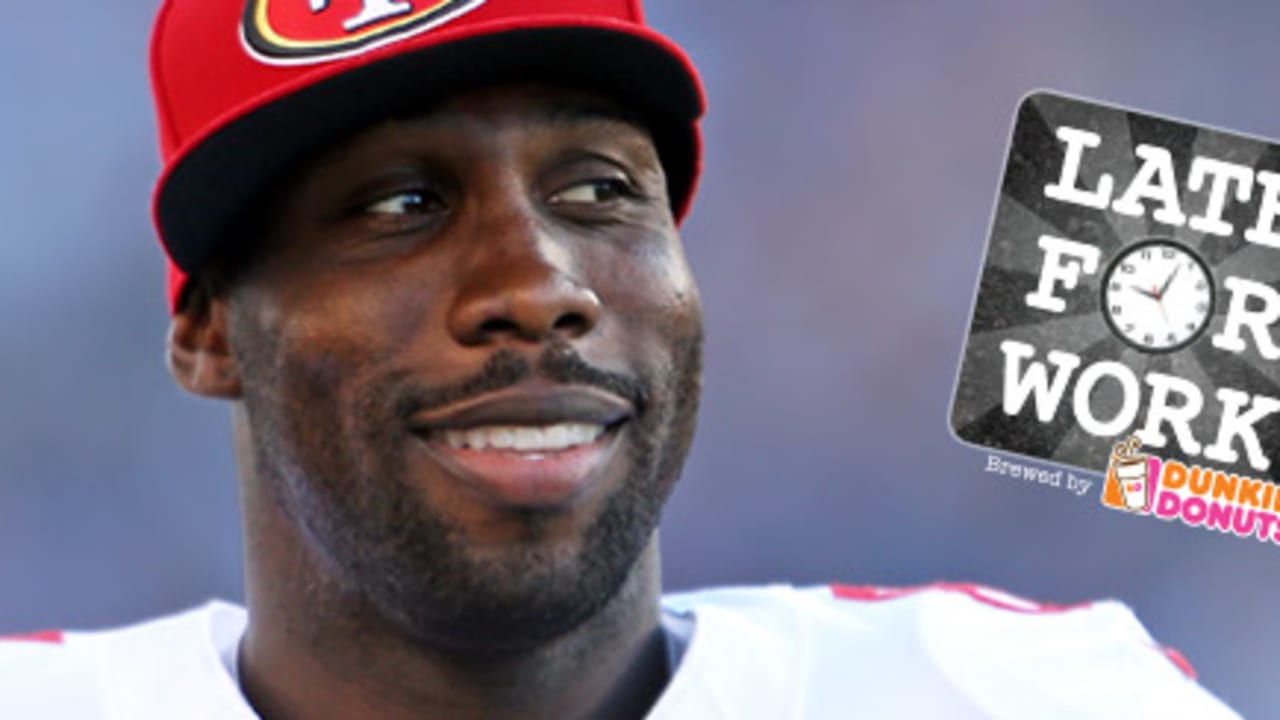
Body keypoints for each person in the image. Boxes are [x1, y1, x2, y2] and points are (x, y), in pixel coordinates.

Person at [0, 1, 1240, 717]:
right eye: (398, 204)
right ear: (211, 327)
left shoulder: (1023, 701)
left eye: (598, 189)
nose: (538, 286)